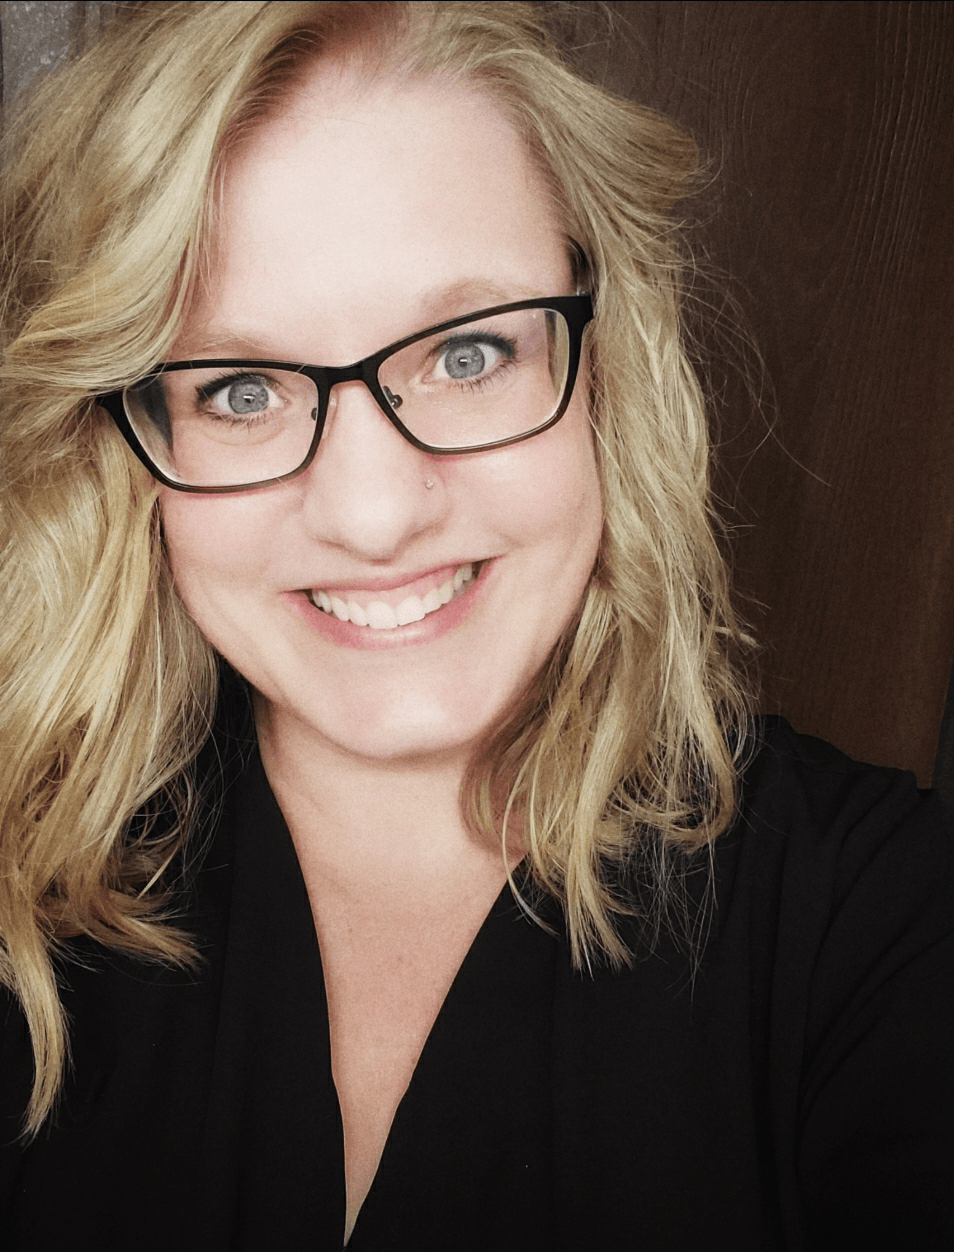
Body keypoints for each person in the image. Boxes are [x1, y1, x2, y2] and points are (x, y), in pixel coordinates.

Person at [0, 2, 950, 1248]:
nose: (375, 512)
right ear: (127, 451)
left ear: (606, 369)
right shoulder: (24, 910)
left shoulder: (879, 921)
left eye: (468, 355)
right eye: (240, 389)